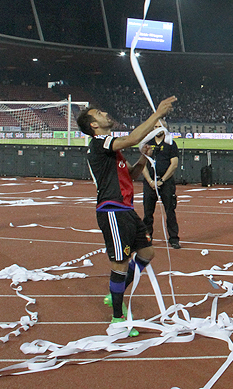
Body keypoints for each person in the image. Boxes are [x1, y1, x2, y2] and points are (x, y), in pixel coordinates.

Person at [77, 95, 177, 336]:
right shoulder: (100, 143)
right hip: (112, 210)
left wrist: (143, 158)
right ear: (94, 125)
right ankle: (117, 319)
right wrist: (157, 115)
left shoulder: (111, 151)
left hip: (126, 210)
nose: (104, 114)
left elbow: (130, 175)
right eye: (99, 114)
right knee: (120, 262)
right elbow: (132, 139)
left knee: (147, 253)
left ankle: (116, 293)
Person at [141, 121, 181, 249]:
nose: (157, 129)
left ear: (165, 129)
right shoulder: (148, 143)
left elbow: (174, 164)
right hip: (150, 184)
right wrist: (150, 181)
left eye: (160, 127)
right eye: (155, 127)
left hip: (166, 183)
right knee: (147, 213)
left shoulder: (171, 144)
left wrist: (162, 180)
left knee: (170, 211)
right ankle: (147, 239)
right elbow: (142, 164)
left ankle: (174, 239)